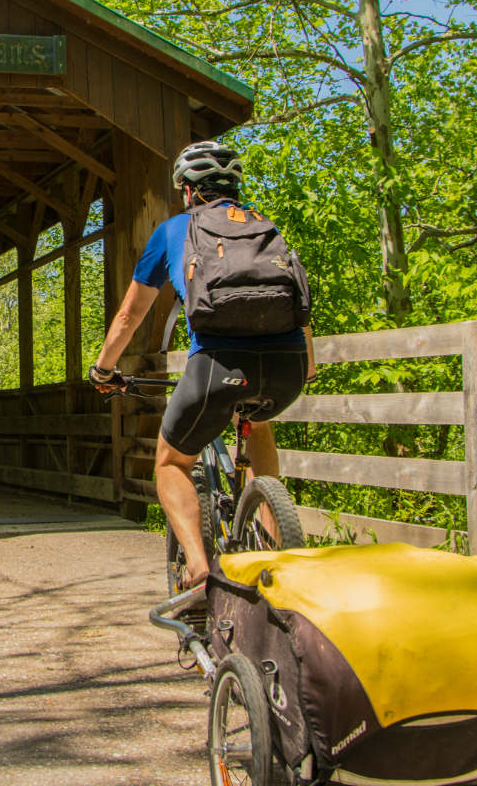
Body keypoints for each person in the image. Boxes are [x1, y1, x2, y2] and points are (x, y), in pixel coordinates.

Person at [89, 141, 315, 588]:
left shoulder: (175, 230)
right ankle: (276, 547)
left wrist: (103, 369)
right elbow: (300, 307)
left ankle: (197, 568)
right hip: (287, 366)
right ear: (234, 187)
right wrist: (306, 366)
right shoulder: (265, 230)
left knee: (171, 462)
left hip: (217, 366)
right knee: (259, 420)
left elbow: (130, 316)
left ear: (188, 192)